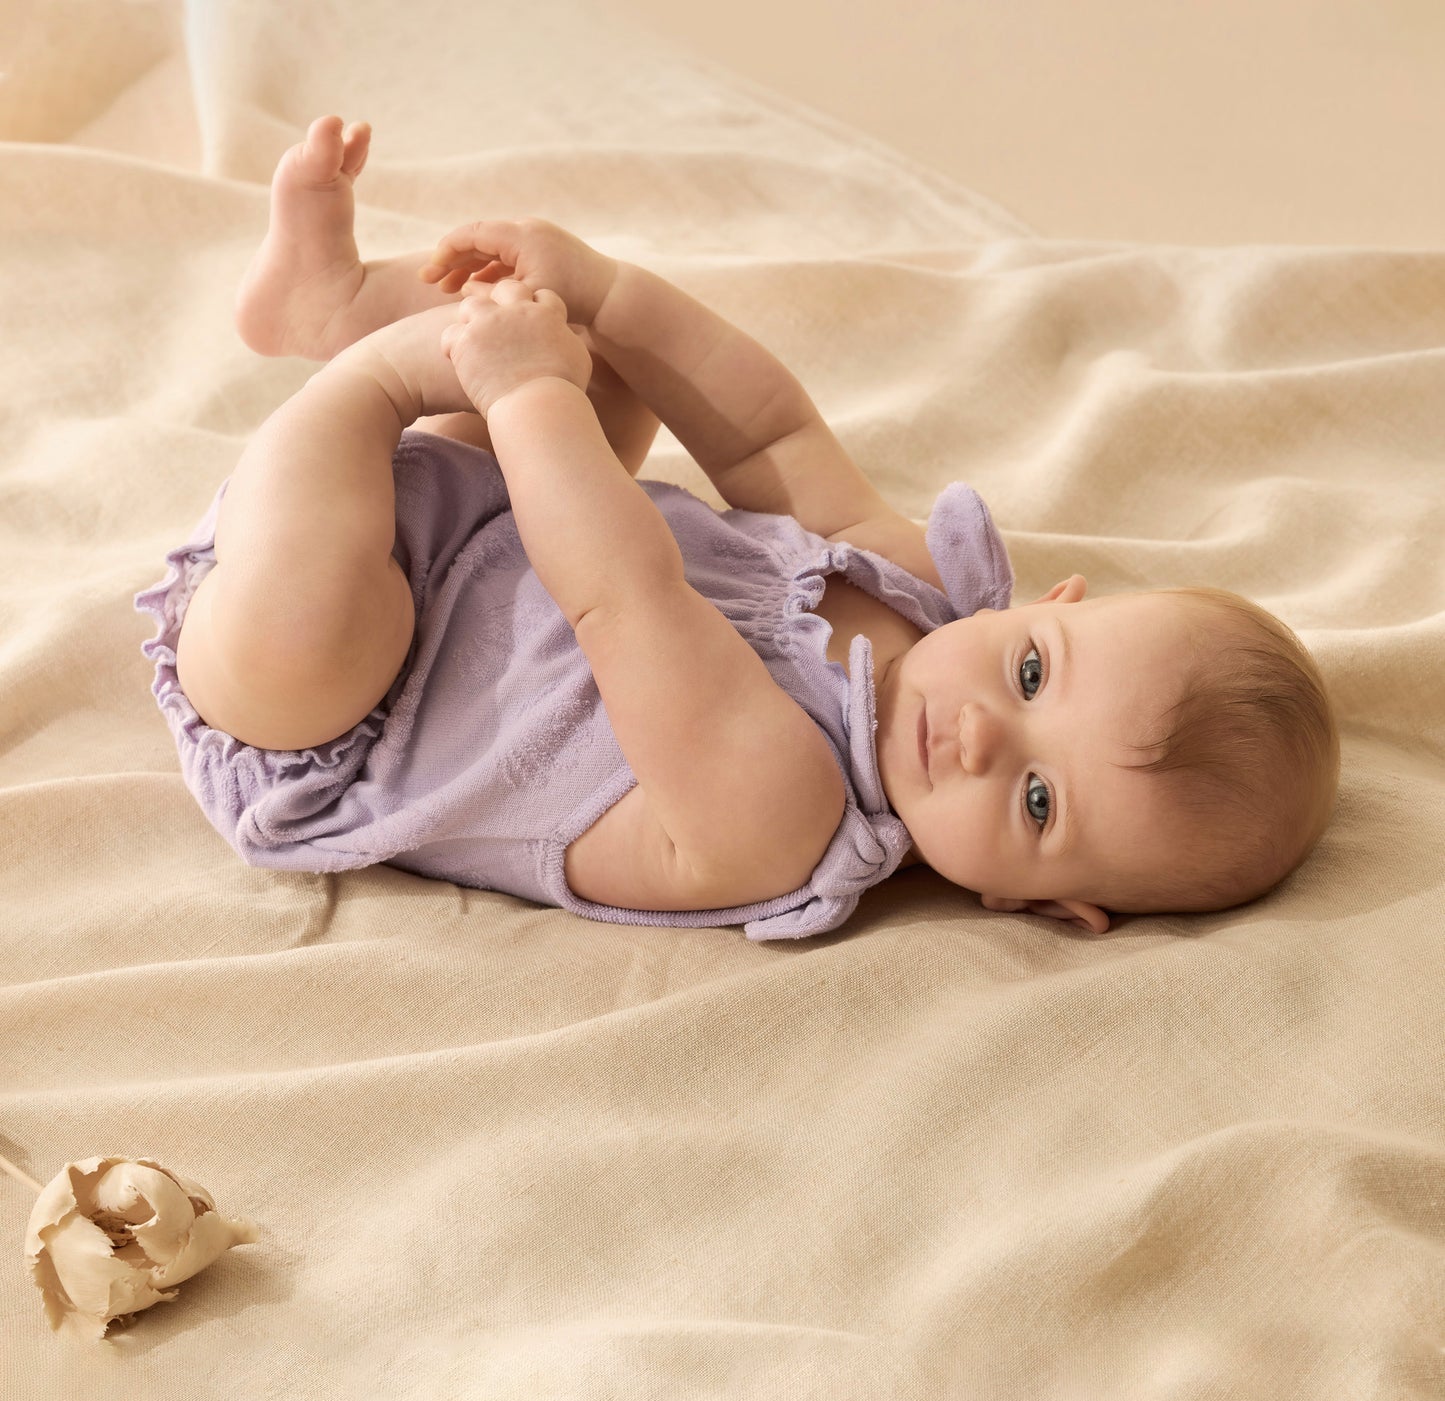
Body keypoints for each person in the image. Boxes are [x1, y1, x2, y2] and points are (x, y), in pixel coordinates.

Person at [135, 116, 1339, 940]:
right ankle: (335, 305)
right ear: (1046, 608)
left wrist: (519, 393)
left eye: (1036, 802)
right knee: (610, 357)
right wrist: (601, 292)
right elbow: (767, 439)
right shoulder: (919, 590)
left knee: (318, 634)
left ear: (1047, 907)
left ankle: (366, 376)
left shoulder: (778, 820)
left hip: (329, 709)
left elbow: (623, 597)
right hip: (476, 510)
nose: (977, 733)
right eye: (1030, 673)